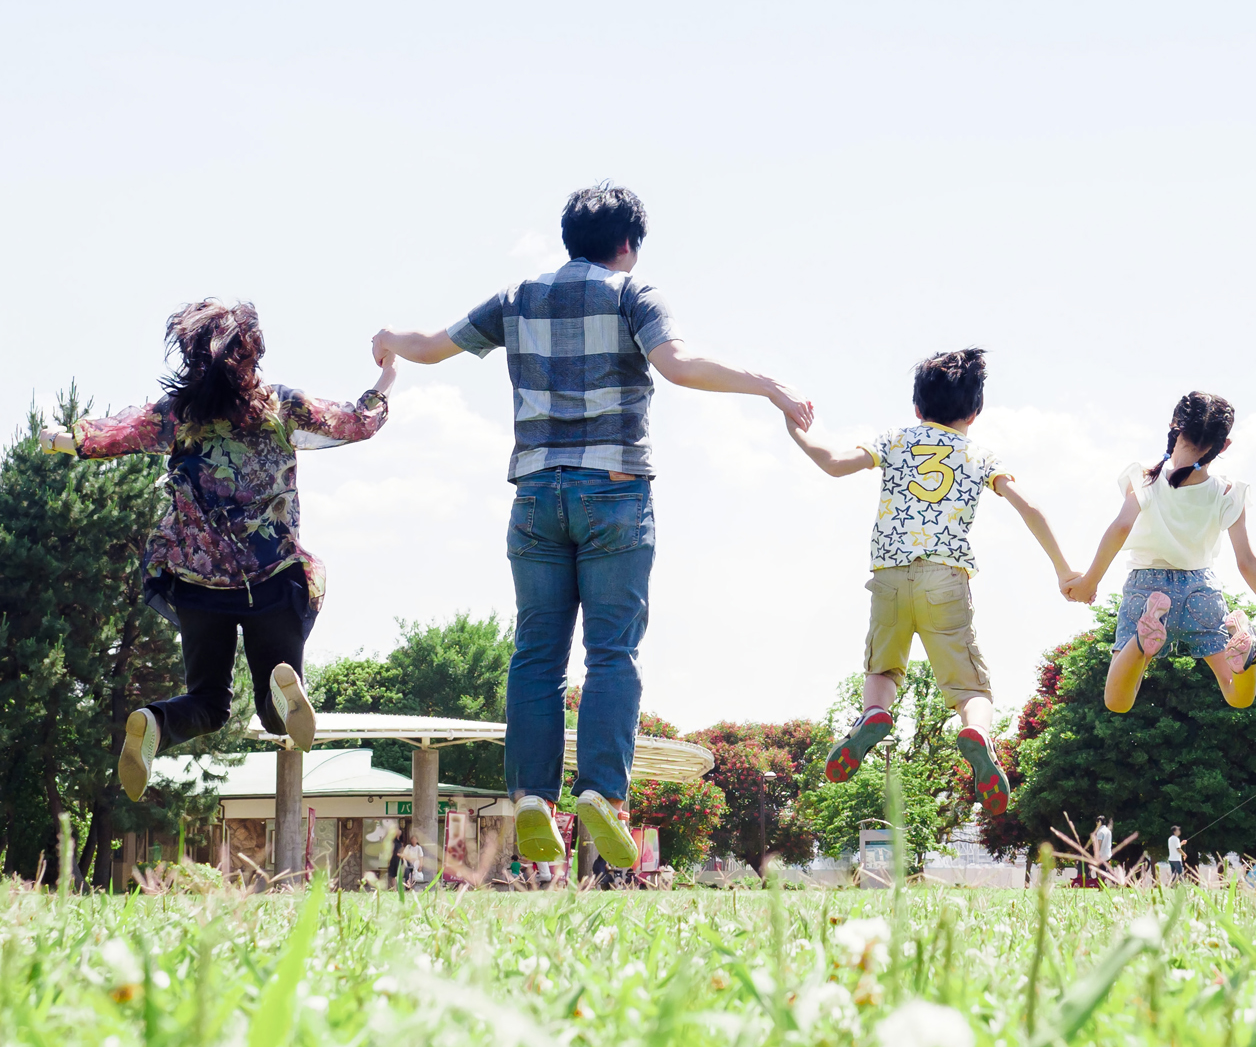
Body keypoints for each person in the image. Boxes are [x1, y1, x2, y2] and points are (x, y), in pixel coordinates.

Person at [371, 184, 813, 871]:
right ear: (628, 244)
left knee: (536, 654)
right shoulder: (632, 294)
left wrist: (387, 341)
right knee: (611, 652)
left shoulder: (518, 296)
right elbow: (678, 363)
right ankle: (604, 793)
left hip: (536, 495)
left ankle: (532, 797)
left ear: (569, 235)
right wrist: (771, 386)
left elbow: (430, 346)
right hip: (613, 491)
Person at [39, 300, 393, 801]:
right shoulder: (281, 405)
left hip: (197, 585)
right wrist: (386, 380)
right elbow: (356, 423)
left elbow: (116, 433)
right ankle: (279, 689)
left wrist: (63, 440)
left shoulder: (178, 416)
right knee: (274, 715)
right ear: (253, 351)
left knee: (209, 701)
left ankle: (153, 720)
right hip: (273, 578)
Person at [789, 349, 1074, 816]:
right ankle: (977, 732)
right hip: (946, 579)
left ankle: (876, 714)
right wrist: (1065, 570)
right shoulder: (981, 456)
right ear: (975, 413)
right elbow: (1030, 507)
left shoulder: (896, 438)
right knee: (970, 690)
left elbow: (833, 461)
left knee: (882, 670)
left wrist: (795, 425)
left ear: (917, 407)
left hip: (889, 578)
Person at [1064, 391, 1256, 712]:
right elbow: (1246, 562)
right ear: (1224, 445)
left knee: (1119, 700)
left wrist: (1090, 581)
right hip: (1201, 592)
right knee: (1238, 696)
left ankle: (1142, 638)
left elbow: (1120, 528)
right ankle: (1245, 648)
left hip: (1147, 592)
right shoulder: (1227, 493)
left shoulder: (1145, 478)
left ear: (1173, 427)